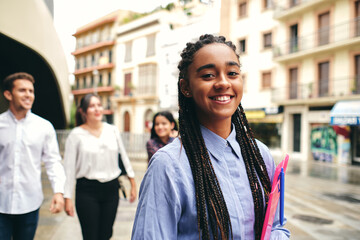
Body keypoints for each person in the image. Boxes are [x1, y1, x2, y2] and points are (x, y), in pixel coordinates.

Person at [132, 34, 290, 239]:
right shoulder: (168, 166)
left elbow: (276, 224)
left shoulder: (260, 155)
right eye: (208, 75)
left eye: (232, 73)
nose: (223, 83)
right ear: (186, 87)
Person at [0, 72, 66, 240]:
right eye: (22, 90)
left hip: (29, 203)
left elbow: (53, 162)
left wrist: (58, 192)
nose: (28, 95)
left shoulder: (44, 127)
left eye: (31, 91)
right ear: (8, 94)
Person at [63, 93, 137, 240]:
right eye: (92, 106)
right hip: (87, 191)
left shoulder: (112, 130)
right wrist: (67, 198)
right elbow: (69, 169)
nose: (97, 109)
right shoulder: (76, 135)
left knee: (106, 234)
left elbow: (124, 157)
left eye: (99, 105)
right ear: (83, 112)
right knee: (90, 236)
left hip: (111, 190)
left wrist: (133, 183)